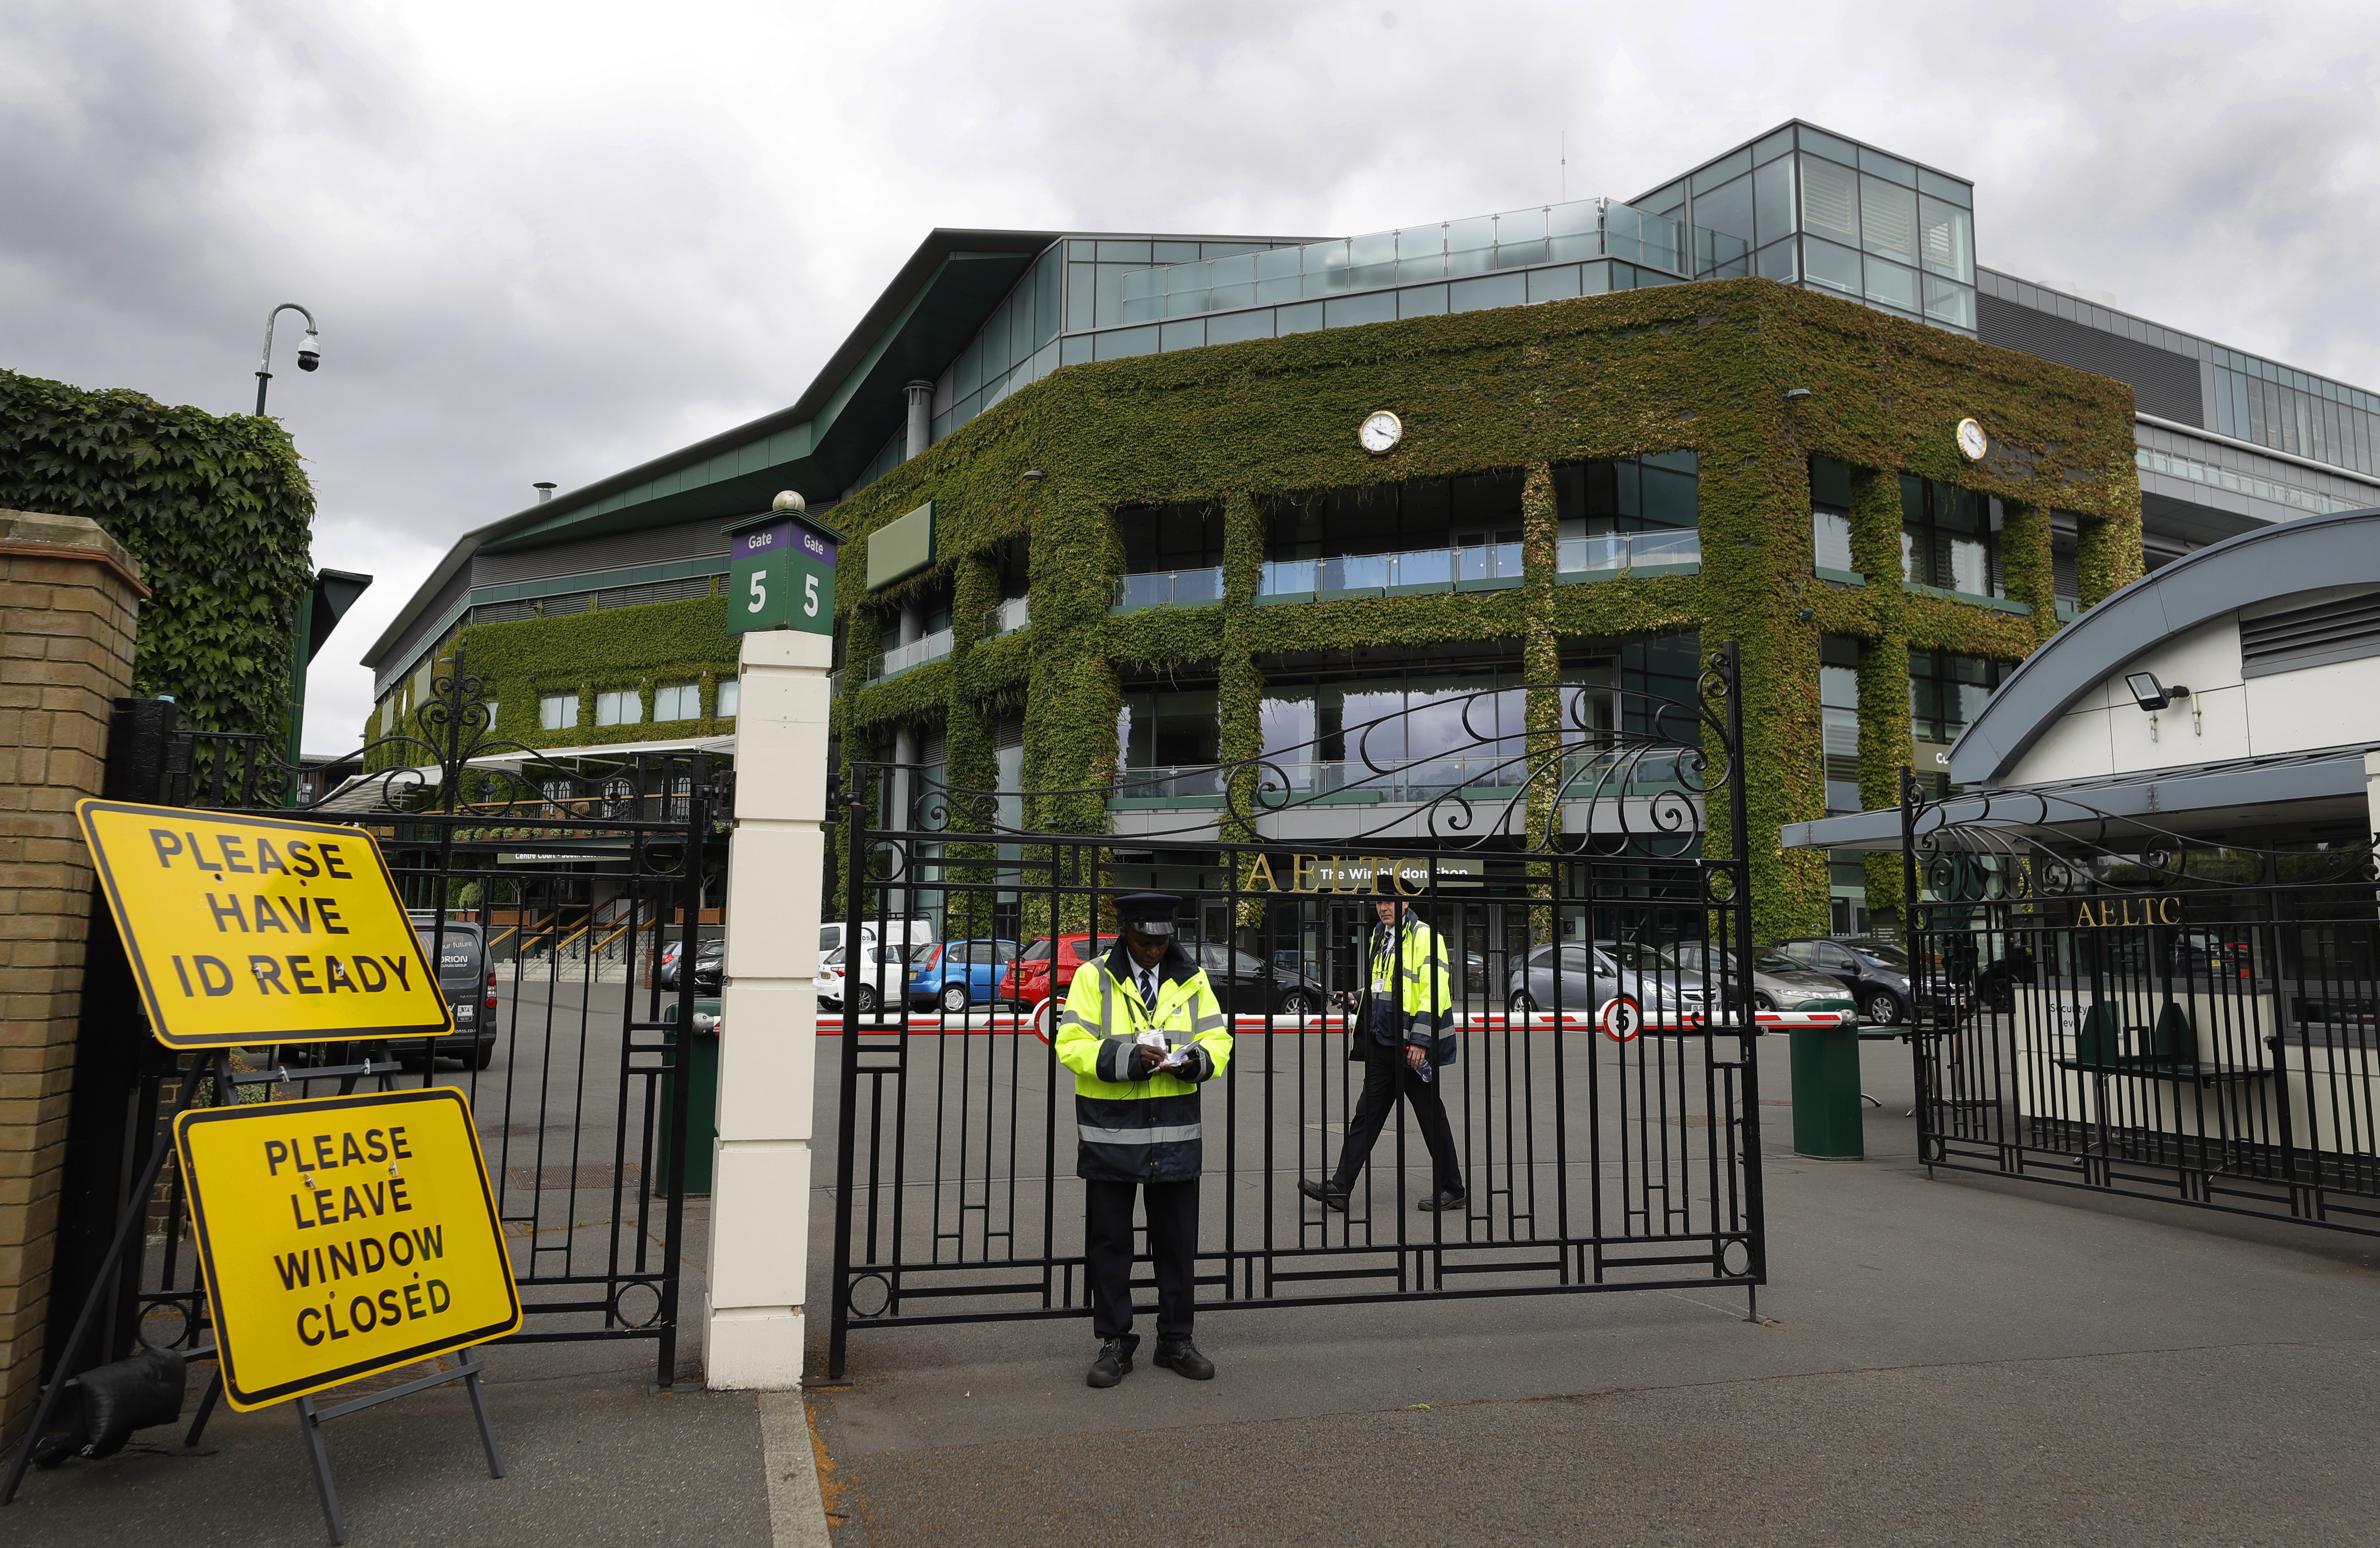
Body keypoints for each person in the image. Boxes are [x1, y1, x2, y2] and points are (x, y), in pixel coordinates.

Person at [1054, 891, 1233, 1388]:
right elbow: (1071, 1044)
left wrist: (1199, 1061)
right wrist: (1130, 1059)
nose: (1154, 949)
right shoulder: (1094, 977)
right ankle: (1114, 1342)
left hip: (1173, 1133)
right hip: (1111, 1132)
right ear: (1126, 933)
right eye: (1144, 940)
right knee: (1110, 1244)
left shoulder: (1192, 977)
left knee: (1176, 1245)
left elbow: (1218, 1038)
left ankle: (1176, 1339)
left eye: (1162, 940)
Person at [1301, 895, 1465, 1213]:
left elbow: (1434, 991)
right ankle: (1340, 1188)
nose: (1383, 908)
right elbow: (1384, 986)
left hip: (1408, 1048)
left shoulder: (1426, 938)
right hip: (1382, 1044)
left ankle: (1453, 1188)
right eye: (1378, 903)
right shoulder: (1381, 935)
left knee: (1432, 1119)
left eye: (1389, 902)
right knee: (1366, 1117)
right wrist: (1356, 998)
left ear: (1406, 904)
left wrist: (1421, 1041)